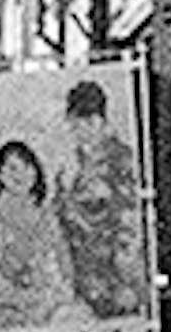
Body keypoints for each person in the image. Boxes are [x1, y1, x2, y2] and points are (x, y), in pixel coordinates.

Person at [53, 78, 146, 316]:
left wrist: (126, 280)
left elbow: (129, 223)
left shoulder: (121, 161)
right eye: (74, 124)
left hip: (114, 279)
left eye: (85, 123)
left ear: (100, 121)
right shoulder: (72, 166)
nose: (79, 131)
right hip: (81, 277)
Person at [0, 132, 77, 321]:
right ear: (0, 175)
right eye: (13, 168)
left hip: (52, 310)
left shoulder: (47, 216)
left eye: (28, 167)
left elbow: (64, 263)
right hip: (10, 315)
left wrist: (61, 292)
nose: (21, 174)